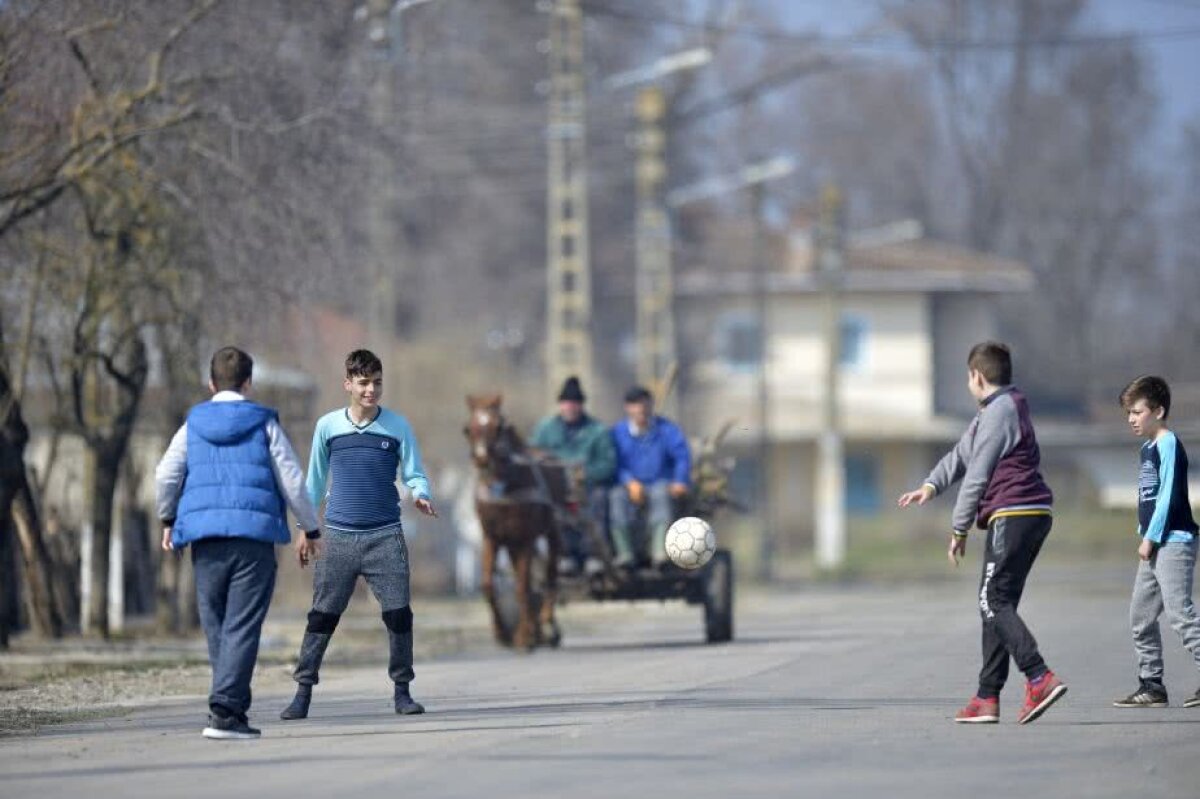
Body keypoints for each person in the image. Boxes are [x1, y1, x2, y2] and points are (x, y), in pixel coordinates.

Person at [897, 341, 1067, 725]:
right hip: (1029, 512)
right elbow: (961, 455)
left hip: (1015, 512)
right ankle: (987, 697)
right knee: (996, 603)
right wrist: (931, 486)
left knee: (993, 599)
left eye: (968, 376)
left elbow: (977, 474)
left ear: (976, 376)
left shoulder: (999, 412)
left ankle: (1038, 676)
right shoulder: (998, 409)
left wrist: (959, 528)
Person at [156, 347, 320, 740]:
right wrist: (310, 528)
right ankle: (226, 711)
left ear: (211, 384)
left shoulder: (192, 424)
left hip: (205, 538)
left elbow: (165, 474)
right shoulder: (264, 423)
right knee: (242, 625)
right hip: (253, 538)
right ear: (248, 383)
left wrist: (168, 518)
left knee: (218, 623)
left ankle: (229, 706)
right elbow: (293, 480)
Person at [280, 349, 437, 721]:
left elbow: (415, 473)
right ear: (347, 384)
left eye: (377, 382)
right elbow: (314, 482)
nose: (371, 390)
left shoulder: (397, 427)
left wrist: (421, 494)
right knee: (322, 616)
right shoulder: (328, 427)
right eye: (364, 383)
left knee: (399, 616)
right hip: (337, 537)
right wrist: (306, 528)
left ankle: (402, 691)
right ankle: (302, 692)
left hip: (386, 537)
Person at [1112, 376, 1200, 709]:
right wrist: (1143, 530)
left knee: (1180, 614)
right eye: (1128, 414)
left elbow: (1166, 498)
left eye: (1137, 412)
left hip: (1173, 542)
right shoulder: (1147, 449)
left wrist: (1150, 538)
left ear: (1159, 410)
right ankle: (1152, 685)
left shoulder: (1168, 443)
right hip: (1154, 544)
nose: (1132, 419)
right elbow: (1147, 498)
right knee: (1141, 616)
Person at [530, 376, 616, 575]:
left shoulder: (597, 431)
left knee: (599, 503)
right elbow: (533, 455)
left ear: (581, 406)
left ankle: (594, 555)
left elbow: (608, 464)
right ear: (560, 405)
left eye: (574, 403)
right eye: (566, 403)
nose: (569, 407)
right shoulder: (545, 430)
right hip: (556, 490)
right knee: (553, 511)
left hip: (589, 488)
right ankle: (564, 555)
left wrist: (586, 473)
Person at [609, 385, 691, 569]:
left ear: (651, 406)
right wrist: (629, 482)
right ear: (627, 408)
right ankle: (624, 553)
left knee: (661, 495)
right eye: (635, 406)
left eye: (644, 406)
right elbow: (614, 463)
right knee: (616, 498)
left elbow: (681, 456)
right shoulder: (617, 433)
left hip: (659, 482)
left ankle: (659, 551)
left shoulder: (666, 430)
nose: (640, 411)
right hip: (628, 486)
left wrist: (680, 480)